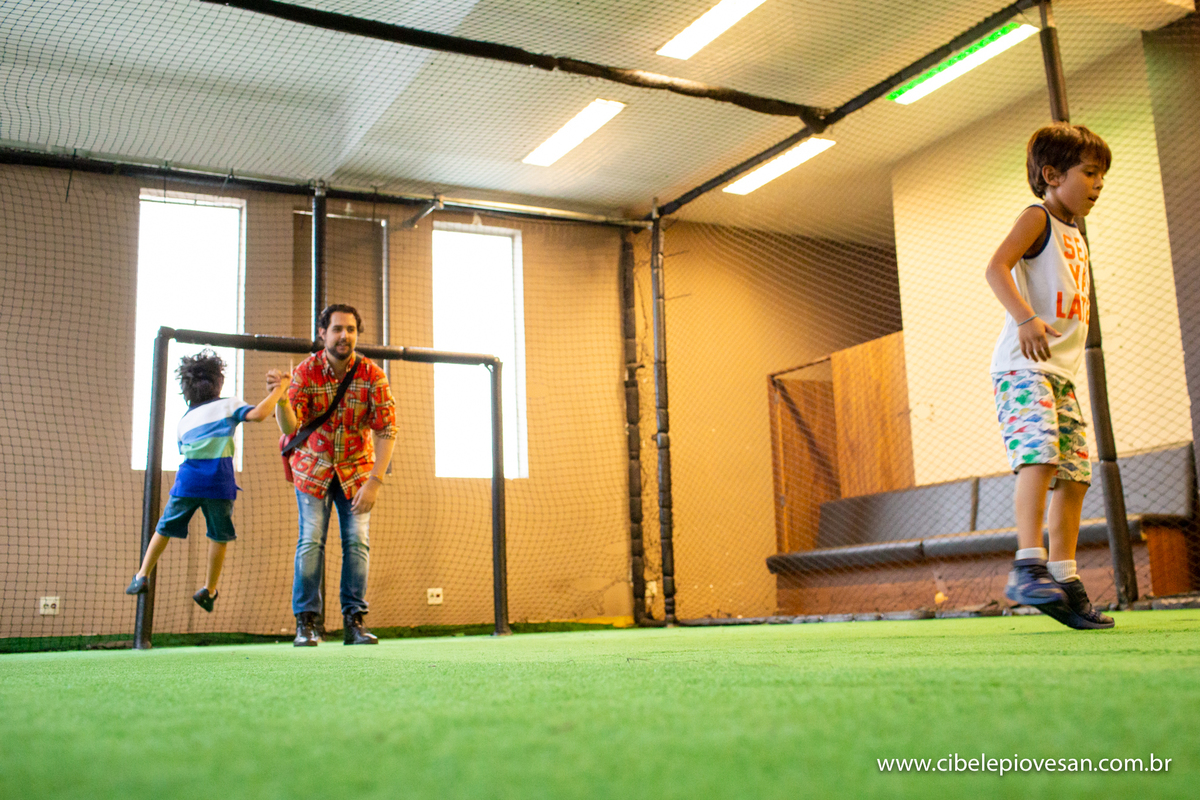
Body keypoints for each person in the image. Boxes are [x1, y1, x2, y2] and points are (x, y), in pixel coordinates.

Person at [986, 122, 1114, 630]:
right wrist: (1024, 317)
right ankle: (1028, 564)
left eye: (1103, 176)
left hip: (1059, 374)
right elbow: (996, 267)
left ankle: (1063, 577)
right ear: (1051, 173)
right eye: (1090, 173)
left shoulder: (1075, 230)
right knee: (1038, 454)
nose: (1098, 185)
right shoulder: (1037, 217)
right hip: (1022, 369)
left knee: (1077, 474)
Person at [126, 350, 290, 612]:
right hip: (219, 484)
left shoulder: (183, 421)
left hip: (188, 483)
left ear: (186, 389)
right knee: (219, 536)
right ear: (218, 383)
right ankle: (209, 589)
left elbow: (184, 449)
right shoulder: (229, 404)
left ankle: (142, 574)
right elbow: (259, 414)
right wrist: (280, 391)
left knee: (164, 528)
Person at [273, 304, 396, 646]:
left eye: (351, 329)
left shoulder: (372, 375)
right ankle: (307, 623)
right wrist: (282, 400)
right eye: (338, 329)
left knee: (357, 542)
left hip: (357, 470)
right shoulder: (306, 371)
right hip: (312, 468)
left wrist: (375, 481)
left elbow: (387, 430)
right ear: (322, 334)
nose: (345, 335)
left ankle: (353, 621)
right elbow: (291, 426)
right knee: (311, 539)